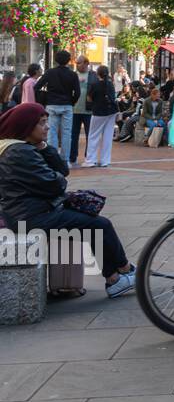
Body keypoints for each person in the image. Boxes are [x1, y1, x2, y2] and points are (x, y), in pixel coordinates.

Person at [0, 103, 136, 297]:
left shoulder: (21, 148)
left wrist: (44, 147)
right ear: (26, 127)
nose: (47, 127)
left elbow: (62, 170)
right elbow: (56, 183)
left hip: (29, 212)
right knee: (100, 225)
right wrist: (56, 177)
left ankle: (116, 276)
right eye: (42, 123)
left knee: (92, 223)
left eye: (47, 122)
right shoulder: (19, 152)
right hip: (31, 217)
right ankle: (122, 271)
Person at [33, 51, 80, 163]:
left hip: (52, 104)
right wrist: (71, 102)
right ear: (68, 60)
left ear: (56, 60)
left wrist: (44, 99)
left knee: (51, 132)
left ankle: (53, 159)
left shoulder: (50, 72)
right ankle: (65, 160)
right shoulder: (73, 74)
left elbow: (37, 87)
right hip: (67, 105)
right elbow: (77, 93)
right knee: (67, 133)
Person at [83, 65, 118, 168]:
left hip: (98, 111)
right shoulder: (110, 84)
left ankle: (90, 160)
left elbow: (89, 98)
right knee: (107, 136)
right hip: (111, 111)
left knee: (93, 135)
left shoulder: (95, 84)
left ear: (98, 74)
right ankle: (105, 161)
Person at [69, 56, 96, 166]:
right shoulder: (73, 75)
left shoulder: (93, 75)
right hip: (74, 110)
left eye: (79, 63)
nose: (77, 64)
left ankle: (88, 157)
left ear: (86, 63)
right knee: (73, 135)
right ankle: (72, 157)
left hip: (88, 110)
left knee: (90, 135)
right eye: (77, 63)